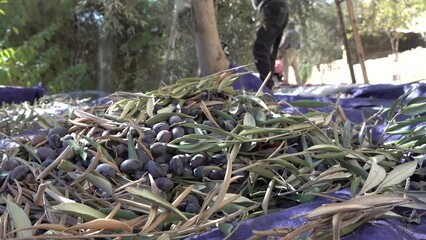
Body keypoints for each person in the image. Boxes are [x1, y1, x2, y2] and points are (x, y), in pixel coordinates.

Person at [252, 0, 289, 89]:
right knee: (270, 50)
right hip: (281, 8)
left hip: (272, 7)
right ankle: (269, 85)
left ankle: (267, 86)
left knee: (260, 48)